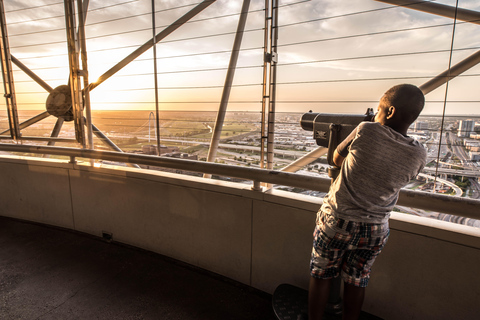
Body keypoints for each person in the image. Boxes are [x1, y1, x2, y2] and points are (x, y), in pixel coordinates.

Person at [308, 84, 427, 320]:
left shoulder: (367, 130)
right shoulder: (419, 153)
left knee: (321, 274)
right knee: (357, 280)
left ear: (390, 111)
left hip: (338, 220)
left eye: (379, 111)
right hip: (375, 229)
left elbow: (337, 158)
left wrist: (368, 129)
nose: (375, 117)